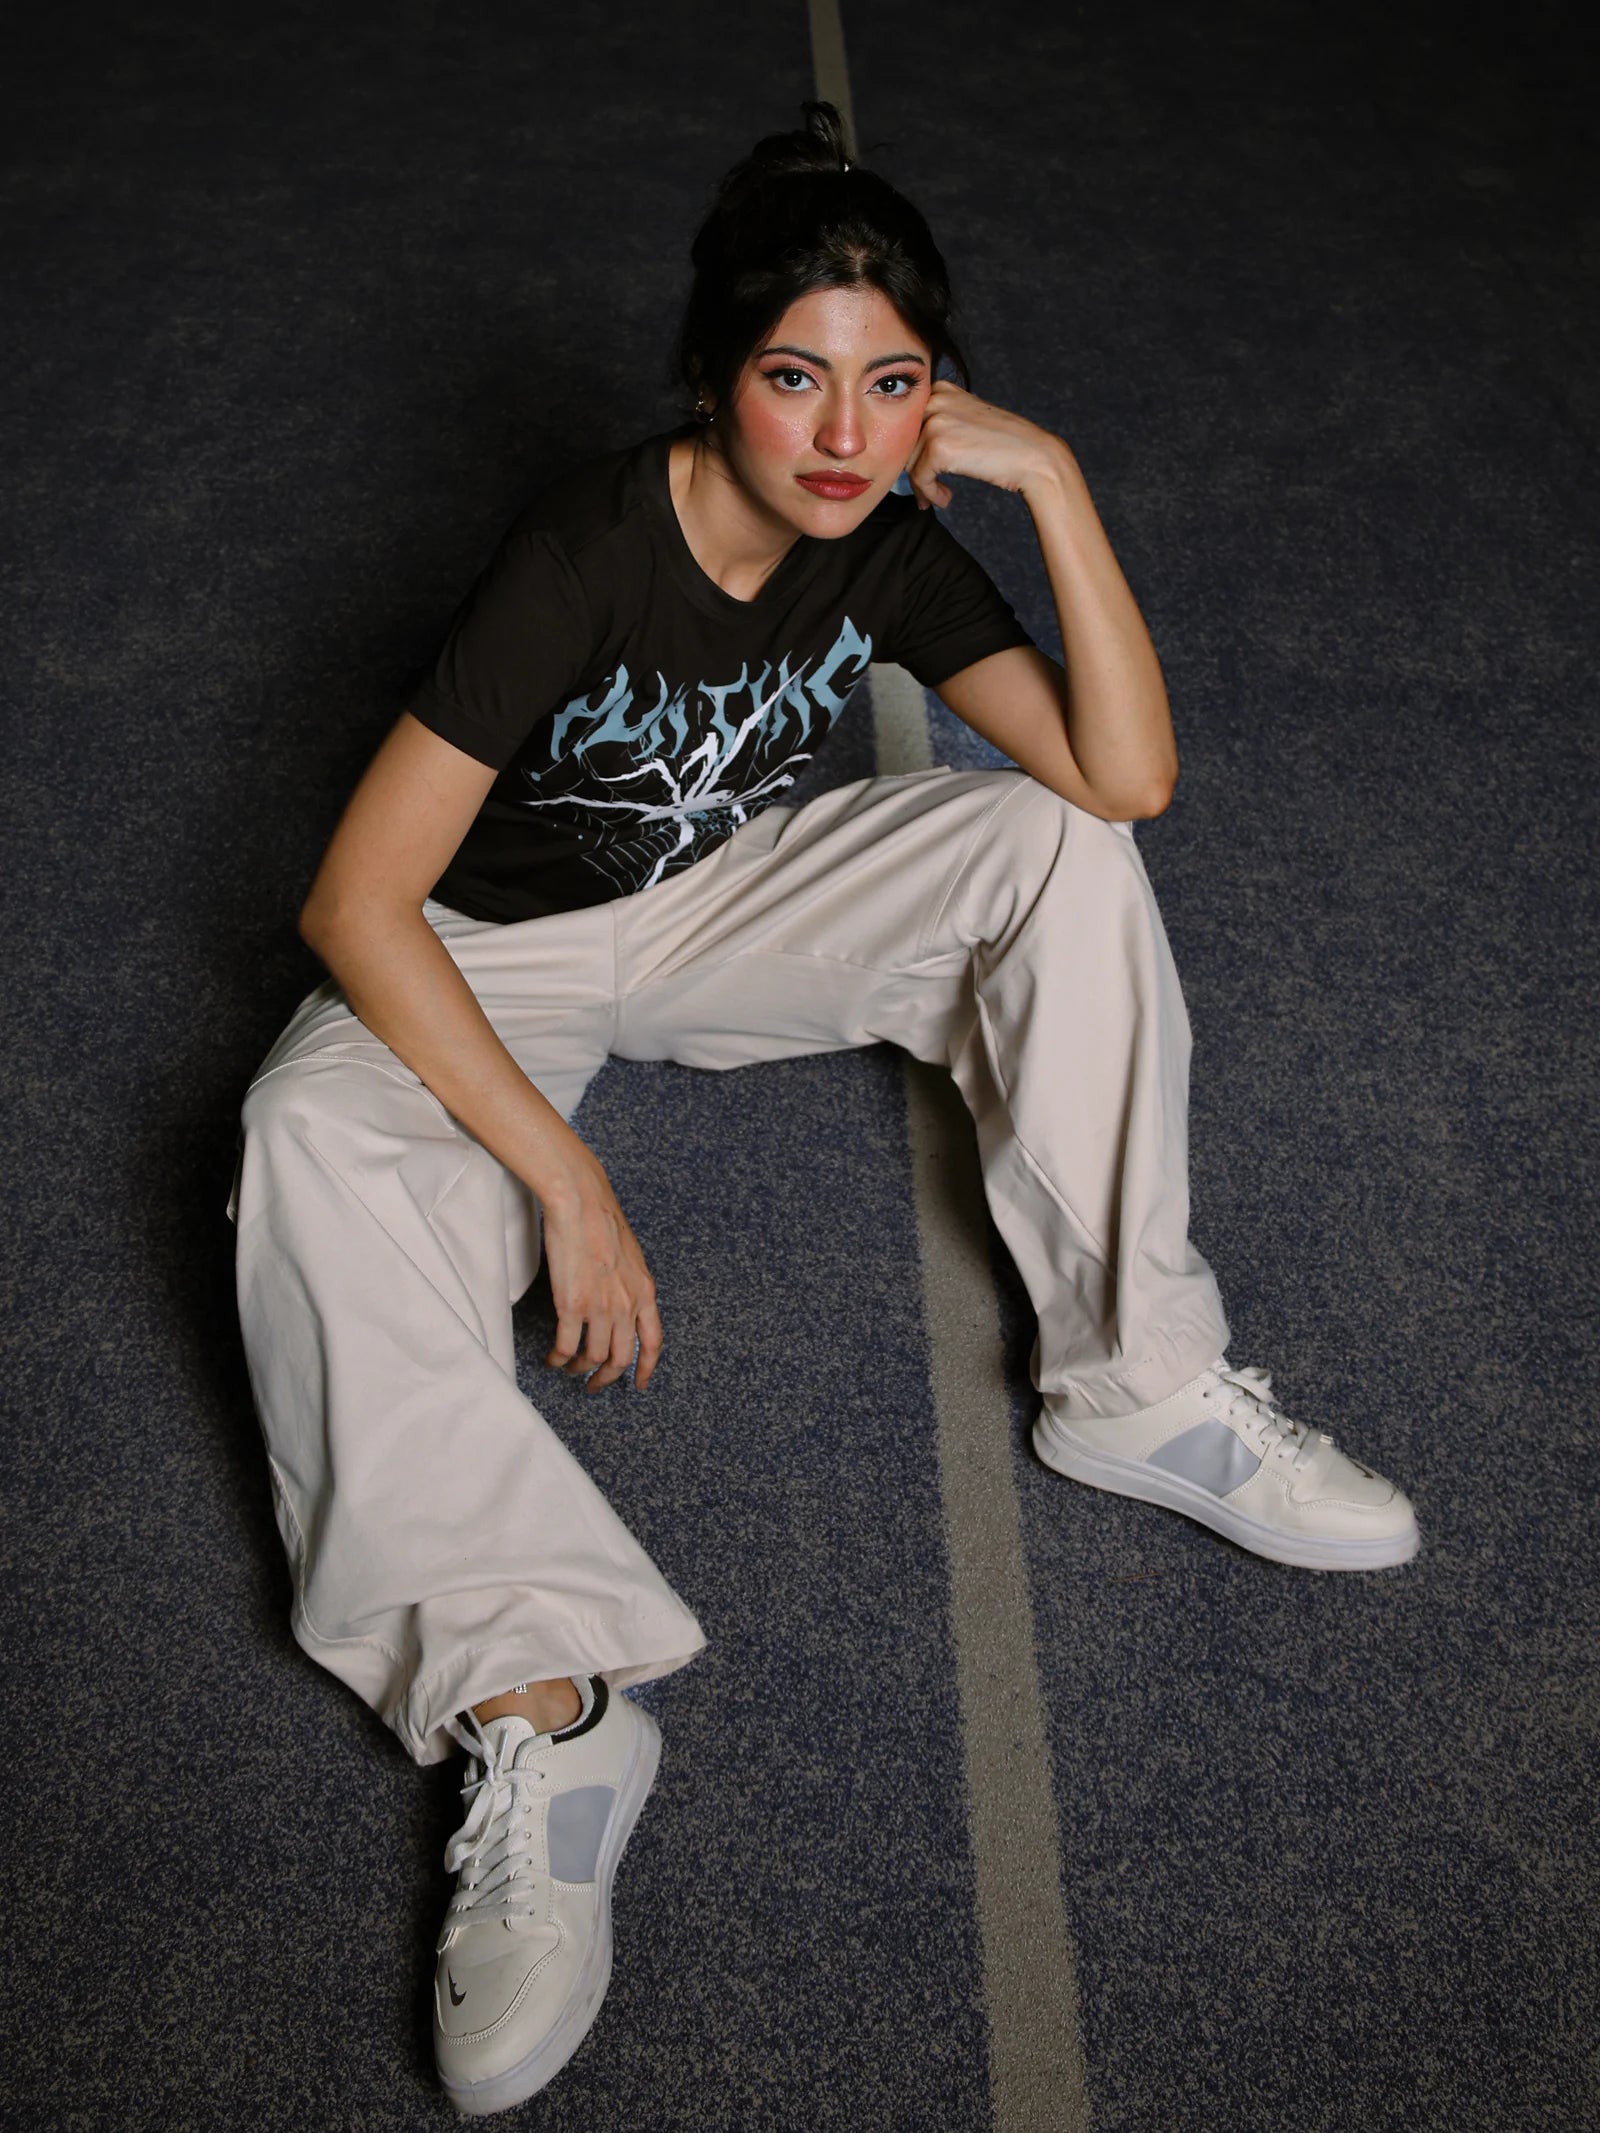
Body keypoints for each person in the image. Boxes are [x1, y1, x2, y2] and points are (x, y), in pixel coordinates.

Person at [231, 101, 1419, 2117]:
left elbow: (1118, 776)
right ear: (716, 378)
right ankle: (546, 1694)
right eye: (797, 378)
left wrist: (1046, 476)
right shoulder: (586, 546)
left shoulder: (886, 527)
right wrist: (557, 1164)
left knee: (1055, 846)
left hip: (701, 909)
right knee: (297, 1143)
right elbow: (350, 896)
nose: (844, 430)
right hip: (488, 940)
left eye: (891, 385)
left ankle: (1137, 1381)